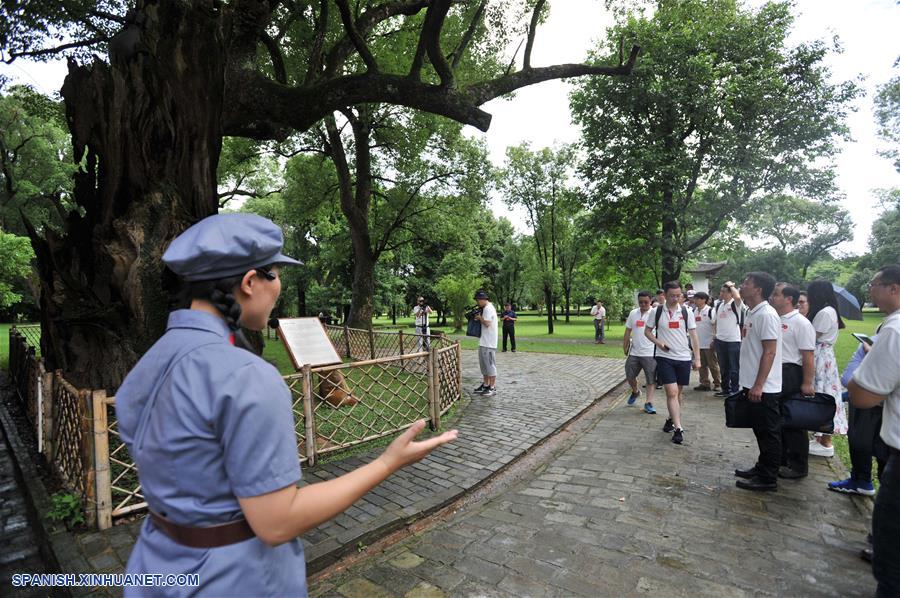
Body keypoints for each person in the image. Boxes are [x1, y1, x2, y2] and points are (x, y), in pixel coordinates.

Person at [115, 214, 457, 596]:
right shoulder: (248, 377)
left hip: (154, 566)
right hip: (233, 580)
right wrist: (386, 463)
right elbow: (277, 521)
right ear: (250, 282)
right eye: (276, 274)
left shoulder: (149, 364)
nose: (279, 288)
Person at [847, 265, 900, 597]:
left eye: (874, 284)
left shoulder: (894, 330)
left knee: (891, 559)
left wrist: (864, 365)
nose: (870, 290)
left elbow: (863, 395)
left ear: (894, 288)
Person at [733, 272, 783, 492]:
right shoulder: (753, 312)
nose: (742, 286)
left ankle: (768, 477)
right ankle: (761, 467)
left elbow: (770, 352)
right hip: (752, 383)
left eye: (746, 283)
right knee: (760, 430)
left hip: (764, 387)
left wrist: (759, 385)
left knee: (768, 432)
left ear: (758, 290)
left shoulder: (767, 315)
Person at [828, 331, 887, 497]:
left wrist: (872, 357)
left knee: (872, 446)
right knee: (861, 441)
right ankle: (861, 479)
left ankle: (865, 482)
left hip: (874, 401)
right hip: (866, 398)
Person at [645, 281, 701, 445]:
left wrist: (697, 358)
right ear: (664, 295)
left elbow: (694, 336)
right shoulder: (656, 312)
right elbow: (647, 331)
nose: (675, 299)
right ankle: (678, 428)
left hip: (683, 357)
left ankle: (671, 419)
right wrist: (658, 343)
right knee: (671, 392)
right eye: (672, 296)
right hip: (665, 357)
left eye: (678, 295)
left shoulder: (686, 312)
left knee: (678, 393)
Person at [770, 283, 816, 479]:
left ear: (788, 299)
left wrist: (807, 382)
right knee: (776, 419)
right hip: (774, 372)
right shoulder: (774, 318)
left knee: (792, 420)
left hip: (790, 372)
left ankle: (798, 465)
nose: (772, 297)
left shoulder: (801, 323)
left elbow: (808, 356)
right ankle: (779, 460)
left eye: (776, 294)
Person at [806, 280, 848, 458]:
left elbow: (811, 336)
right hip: (824, 355)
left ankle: (826, 441)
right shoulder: (829, 310)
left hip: (821, 356)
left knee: (824, 394)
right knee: (824, 392)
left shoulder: (824, 313)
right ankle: (821, 438)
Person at [623, 291, 658, 414]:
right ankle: (635, 391)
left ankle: (649, 403)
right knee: (630, 376)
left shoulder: (655, 313)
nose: (643, 304)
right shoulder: (633, 313)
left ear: (651, 301)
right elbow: (628, 330)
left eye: (646, 302)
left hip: (650, 352)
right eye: (640, 302)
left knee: (650, 379)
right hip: (634, 352)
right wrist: (625, 345)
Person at [712, 281, 744, 397]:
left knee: (734, 367)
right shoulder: (719, 305)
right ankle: (725, 389)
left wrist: (731, 286)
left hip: (733, 340)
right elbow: (715, 321)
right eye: (721, 291)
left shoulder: (735, 304)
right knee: (723, 367)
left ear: (730, 293)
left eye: (724, 292)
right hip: (720, 340)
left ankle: (735, 391)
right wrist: (715, 335)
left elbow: (738, 297)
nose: (721, 293)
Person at [691, 292, 721, 392]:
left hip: (709, 342)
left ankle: (718, 383)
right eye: (695, 299)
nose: (695, 301)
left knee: (713, 364)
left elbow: (715, 325)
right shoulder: (694, 311)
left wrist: (714, 339)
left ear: (704, 300)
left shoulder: (710, 310)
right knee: (701, 365)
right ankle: (704, 383)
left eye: (697, 299)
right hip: (698, 343)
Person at [472, 290, 498, 397]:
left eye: (478, 300)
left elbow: (487, 323)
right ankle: (486, 385)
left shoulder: (488, 308)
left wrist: (479, 318)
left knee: (490, 365)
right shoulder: (485, 308)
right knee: (484, 366)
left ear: (482, 300)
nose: (477, 302)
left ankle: (492, 387)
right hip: (484, 341)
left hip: (489, 343)